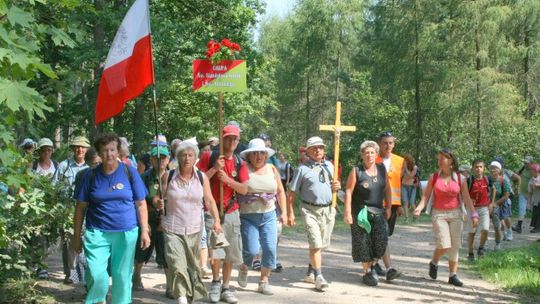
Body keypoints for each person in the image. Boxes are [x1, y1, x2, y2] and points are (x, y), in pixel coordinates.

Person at [72, 133, 150, 304]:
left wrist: (145, 230)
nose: (109, 154)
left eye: (113, 150)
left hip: (126, 232)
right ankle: (96, 300)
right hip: (97, 233)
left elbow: (141, 203)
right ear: (99, 153)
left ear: (118, 151)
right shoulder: (90, 175)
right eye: (105, 150)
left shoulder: (130, 173)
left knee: (122, 277)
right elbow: (80, 208)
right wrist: (76, 236)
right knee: (97, 275)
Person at [161, 141, 222, 304]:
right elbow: (160, 198)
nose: (187, 158)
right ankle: (181, 297)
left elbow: (209, 200)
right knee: (176, 263)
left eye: (190, 155)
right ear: (177, 157)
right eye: (183, 155)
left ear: (196, 157)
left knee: (193, 266)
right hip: (173, 228)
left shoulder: (201, 177)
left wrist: (216, 220)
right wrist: (157, 202)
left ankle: (192, 294)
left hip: (195, 228)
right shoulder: (169, 175)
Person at [197, 124, 249, 304]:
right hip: (212, 211)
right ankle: (216, 283)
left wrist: (228, 180)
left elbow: (244, 189)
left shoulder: (239, 162)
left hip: (232, 211)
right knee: (216, 250)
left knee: (230, 252)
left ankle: (226, 287)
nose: (232, 141)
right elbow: (196, 181)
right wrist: (213, 169)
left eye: (235, 138)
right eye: (228, 138)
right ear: (222, 138)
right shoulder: (208, 156)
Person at [413, 148, 478, 287]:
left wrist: (473, 214)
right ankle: (434, 262)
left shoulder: (461, 179)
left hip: (456, 214)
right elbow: (426, 196)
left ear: (451, 161)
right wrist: (418, 208)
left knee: (455, 246)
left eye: (442, 159)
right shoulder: (434, 177)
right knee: (444, 244)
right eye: (438, 159)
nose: (439, 161)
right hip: (439, 214)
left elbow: (466, 198)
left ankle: (452, 275)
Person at [288, 136, 341, 291]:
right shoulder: (302, 169)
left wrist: (336, 186)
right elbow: (291, 193)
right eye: (314, 148)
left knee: (320, 245)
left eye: (321, 147)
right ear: (308, 151)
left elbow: (333, 186)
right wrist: (290, 213)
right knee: (316, 244)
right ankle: (319, 276)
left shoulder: (330, 166)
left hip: (328, 210)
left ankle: (310, 271)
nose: (318, 150)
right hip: (309, 210)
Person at [236, 138, 287, 295]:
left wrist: (284, 212)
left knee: (270, 249)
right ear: (249, 155)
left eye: (262, 153)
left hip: (269, 215)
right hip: (247, 216)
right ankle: (244, 266)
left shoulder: (272, 169)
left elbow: (280, 191)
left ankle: (264, 281)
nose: (258, 156)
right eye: (255, 153)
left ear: (266, 155)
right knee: (251, 251)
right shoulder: (243, 169)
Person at [344, 141, 392, 286]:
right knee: (363, 242)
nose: (369, 155)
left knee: (381, 241)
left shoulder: (382, 168)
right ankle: (367, 272)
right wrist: (347, 211)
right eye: (366, 153)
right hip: (361, 213)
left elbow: (388, 189)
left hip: (378, 211)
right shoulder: (356, 171)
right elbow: (348, 191)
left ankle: (372, 266)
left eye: (372, 152)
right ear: (362, 155)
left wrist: (389, 207)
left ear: (376, 154)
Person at [53, 135, 90, 284]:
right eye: (77, 147)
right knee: (69, 242)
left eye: (82, 147)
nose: (80, 149)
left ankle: (84, 274)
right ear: (73, 149)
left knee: (86, 241)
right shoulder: (64, 165)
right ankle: (71, 274)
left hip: (87, 211)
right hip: (68, 210)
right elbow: (55, 186)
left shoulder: (91, 167)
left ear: (87, 149)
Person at [133, 146, 170, 292]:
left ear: (168, 160)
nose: (160, 161)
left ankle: (170, 284)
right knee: (142, 250)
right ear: (152, 160)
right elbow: (137, 200)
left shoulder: (172, 176)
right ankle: (136, 276)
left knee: (165, 252)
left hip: (166, 220)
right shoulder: (144, 177)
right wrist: (153, 202)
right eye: (156, 158)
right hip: (148, 219)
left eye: (163, 158)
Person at [374, 131, 403, 280]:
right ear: (380, 143)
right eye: (385, 143)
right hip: (378, 202)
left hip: (394, 203)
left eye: (390, 143)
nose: (388, 145)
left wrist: (400, 205)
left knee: (386, 234)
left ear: (394, 144)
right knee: (383, 234)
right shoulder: (374, 158)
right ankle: (389, 268)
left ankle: (374, 263)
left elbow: (402, 183)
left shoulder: (400, 161)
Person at [465, 159, 493, 261]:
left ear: (484, 169)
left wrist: (492, 203)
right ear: (472, 168)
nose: (478, 169)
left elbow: (493, 189)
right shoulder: (469, 180)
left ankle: (481, 248)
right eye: (476, 167)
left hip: (484, 208)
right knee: (472, 232)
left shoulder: (487, 179)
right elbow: (463, 194)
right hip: (472, 209)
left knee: (485, 229)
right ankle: (470, 252)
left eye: (481, 167)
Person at [493, 156, 520, 241]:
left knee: (506, 215)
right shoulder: (492, 174)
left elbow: (518, 178)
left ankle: (509, 232)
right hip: (497, 197)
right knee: (498, 216)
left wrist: (517, 188)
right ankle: (503, 233)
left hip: (507, 196)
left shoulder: (507, 172)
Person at [489, 160, 512, 250]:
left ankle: (508, 233)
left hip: (501, 204)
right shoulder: (487, 179)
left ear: (499, 170)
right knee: (493, 226)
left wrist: (495, 203)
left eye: (495, 168)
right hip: (490, 206)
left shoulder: (503, 181)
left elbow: (506, 195)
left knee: (504, 219)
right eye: (491, 168)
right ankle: (491, 244)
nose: (492, 170)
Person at [513, 156, 535, 233]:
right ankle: (519, 227)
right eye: (524, 162)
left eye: (527, 163)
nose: (525, 164)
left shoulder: (534, 170)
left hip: (532, 194)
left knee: (535, 210)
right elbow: (515, 177)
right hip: (523, 193)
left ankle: (537, 227)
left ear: (531, 163)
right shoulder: (523, 168)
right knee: (521, 209)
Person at [401, 154, 418, 223]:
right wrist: (402, 169)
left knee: (412, 203)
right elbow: (400, 176)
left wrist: (405, 168)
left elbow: (410, 176)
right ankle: (407, 219)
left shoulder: (415, 167)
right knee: (405, 202)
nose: (404, 161)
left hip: (412, 187)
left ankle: (415, 216)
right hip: (404, 185)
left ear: (408, 160)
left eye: (405, 160)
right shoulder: (403, 167)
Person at [528, 164, 540, 233]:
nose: (531, 171)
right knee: (535, 213)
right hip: (536, 200)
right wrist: (529, 203)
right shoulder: (531, 180)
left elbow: (537, 186)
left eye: (532, 170)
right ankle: (536, 227)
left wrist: (537, 185)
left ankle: (538, 228)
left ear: (537, 171)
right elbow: (530, 192)